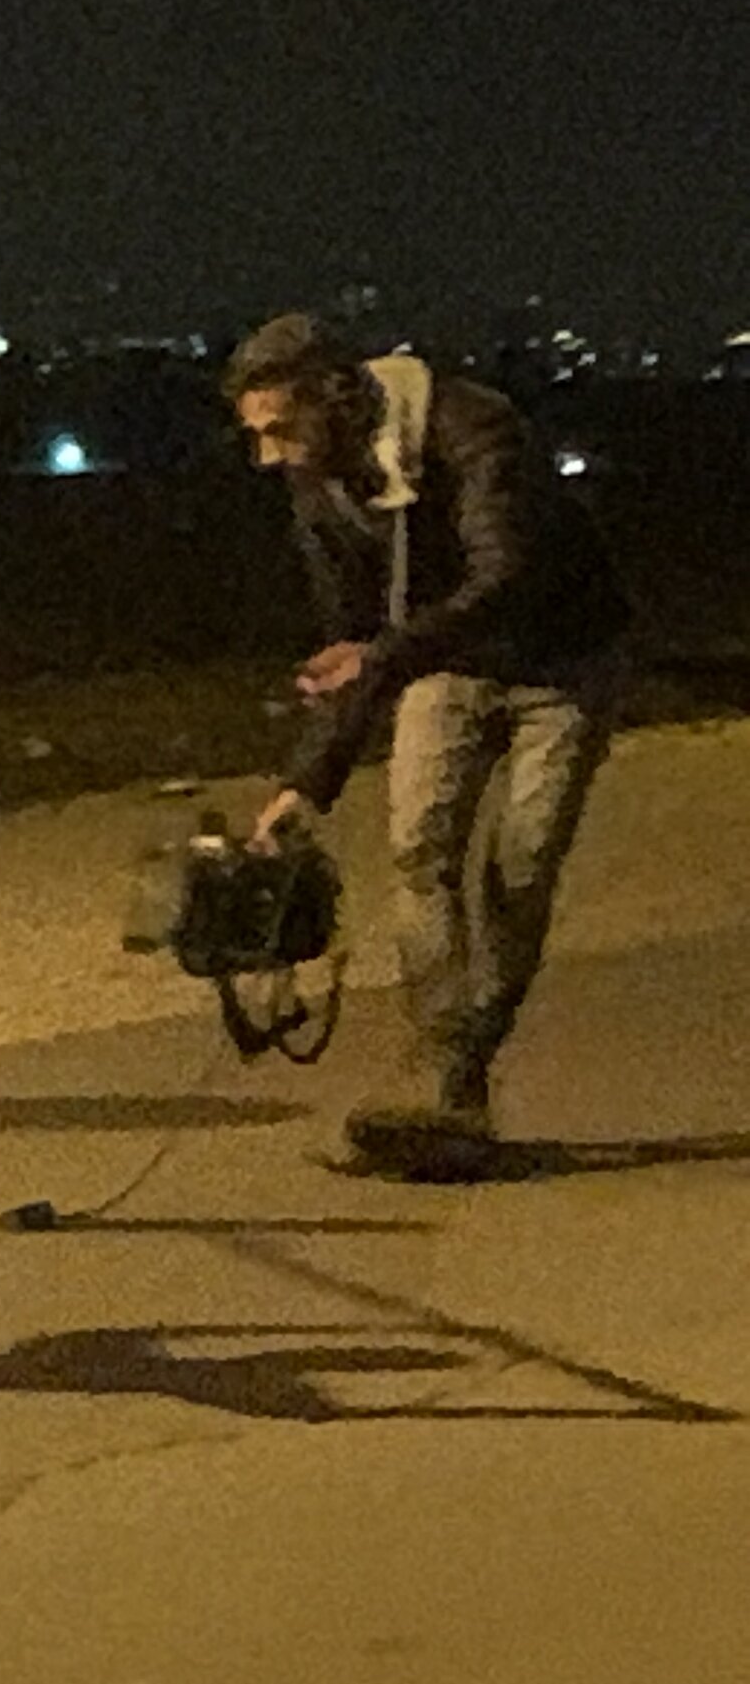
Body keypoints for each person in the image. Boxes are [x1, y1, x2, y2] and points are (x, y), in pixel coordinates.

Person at [225, 314, 631, 1178]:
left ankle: (460, 1068)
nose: (267, 456)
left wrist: (381, 656)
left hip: (560, 663)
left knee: (518, 869)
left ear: (334, 397)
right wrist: (305, 785)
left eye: (280, 429)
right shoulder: (319, 480)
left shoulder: (471, 425)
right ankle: (444, 1075)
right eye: (255, 435)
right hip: (439, 662)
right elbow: (352, 644)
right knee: (419, 854)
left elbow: (503, 574)